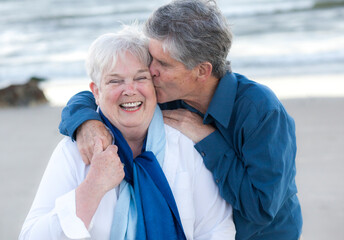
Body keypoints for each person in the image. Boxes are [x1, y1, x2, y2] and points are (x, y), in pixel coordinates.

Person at [59, 0, 302, 239]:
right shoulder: (165, 89)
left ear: (201, 71)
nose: (150, 70)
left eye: (162, 64)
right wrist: (86, 122)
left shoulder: (260, 111)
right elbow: (99, 92)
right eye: (151, 58)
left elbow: (260, 208)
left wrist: (208, 139)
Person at [19, 25, 235, 240]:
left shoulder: (186, 143)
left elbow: (216, 229)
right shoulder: (74, 152)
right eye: (115, 81)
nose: (130, 90)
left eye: (141, 78)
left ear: (155, 85)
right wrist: (92, 188)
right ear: (96, 91)